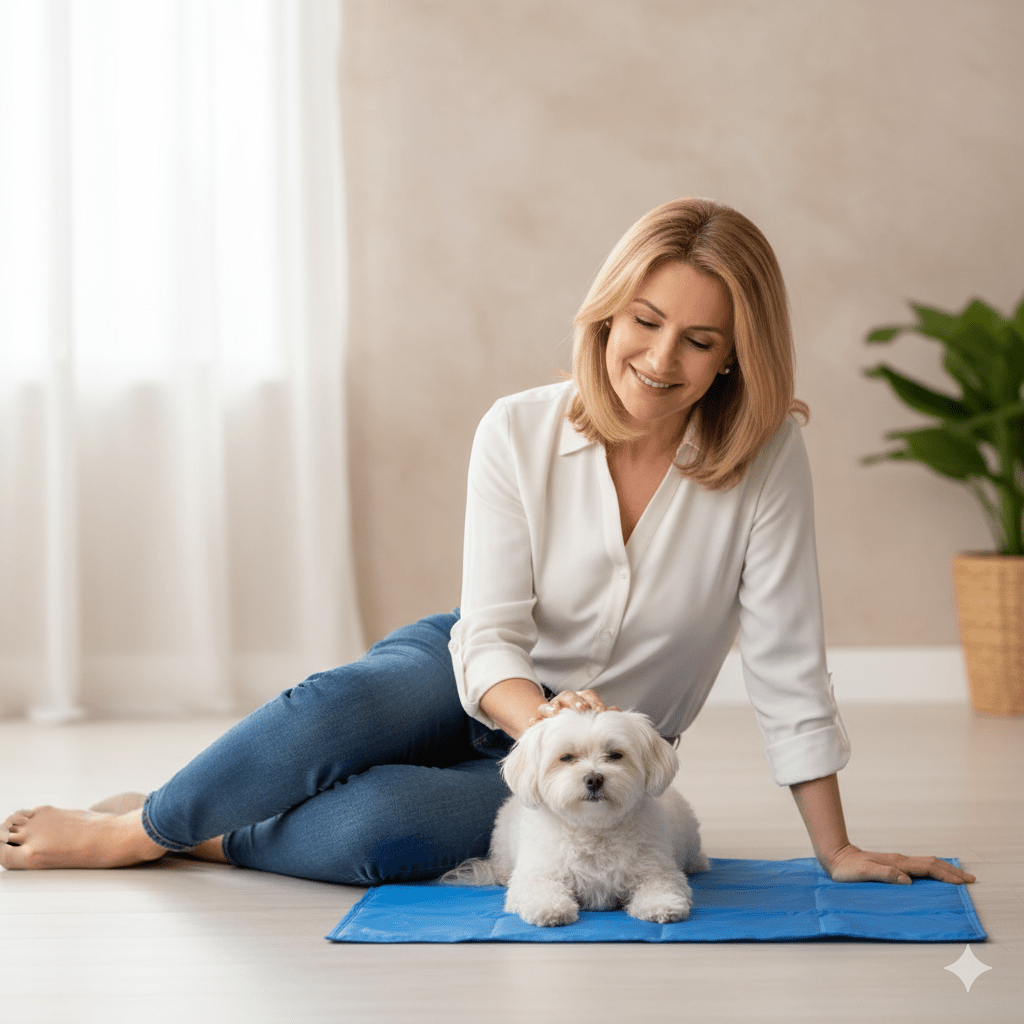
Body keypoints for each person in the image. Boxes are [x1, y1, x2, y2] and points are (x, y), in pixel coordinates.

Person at [0, 198, 973, 888]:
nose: (661, 359)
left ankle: (208, 833)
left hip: (591, 753)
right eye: (646, 321)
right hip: (471, 668)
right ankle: (138, 827)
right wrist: (535, 710)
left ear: (735, 355)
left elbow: (788, 664)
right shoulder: (517, 426)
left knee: (381, 828)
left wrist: (837, 850)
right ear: (608, 310)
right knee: (335, 712)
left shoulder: (765, 457)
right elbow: (492, 629)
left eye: (700, 340)